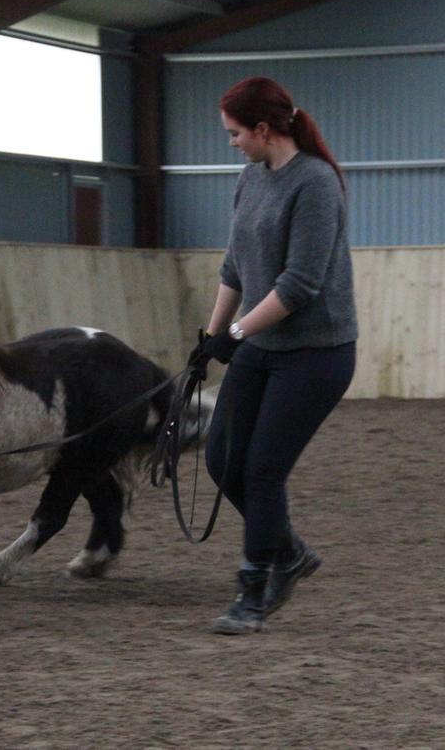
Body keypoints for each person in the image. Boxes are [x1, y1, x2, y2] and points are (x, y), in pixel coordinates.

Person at [189, 76, 358, 635]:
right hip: (260, 345)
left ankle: (254, 591)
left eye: (236, 133)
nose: (232, 143)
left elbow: (299, 285)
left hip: (316, 354)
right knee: (221, 459)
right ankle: (288, 551)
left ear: (263, 130)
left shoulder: (316, 184)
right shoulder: (250, 179)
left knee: (263, 469)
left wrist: (235, 334)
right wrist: (211, 337)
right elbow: (234, 266)